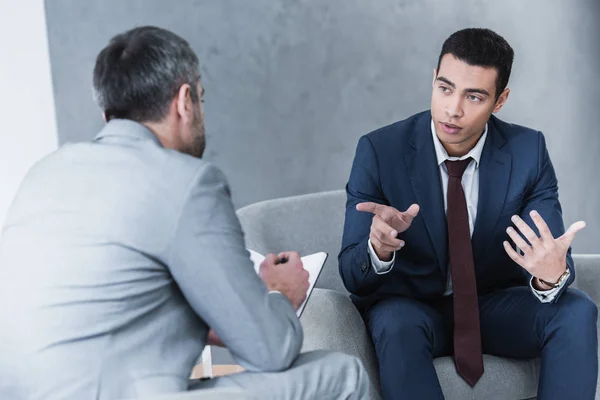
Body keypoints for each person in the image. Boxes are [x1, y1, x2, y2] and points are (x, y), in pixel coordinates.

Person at [0, 26, 369, 400]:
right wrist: (279, 293)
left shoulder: (45, 172)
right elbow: (270, 351)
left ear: (106, 111)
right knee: (342, 373)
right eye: (202, 99)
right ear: (184, 101)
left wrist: (222, 309)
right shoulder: (186, 181)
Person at [339, 28, 597, 399]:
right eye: (445, 88)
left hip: (491, 308)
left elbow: (552, 253)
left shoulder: (528, 151)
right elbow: (352, 274)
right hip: (413, 310)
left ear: (500, 100)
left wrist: (549, 277)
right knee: (395, 322)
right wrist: (378, 250)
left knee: (577, 310)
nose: (453, 109)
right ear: (433, 80)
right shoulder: (380, 151)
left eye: (474, 96)